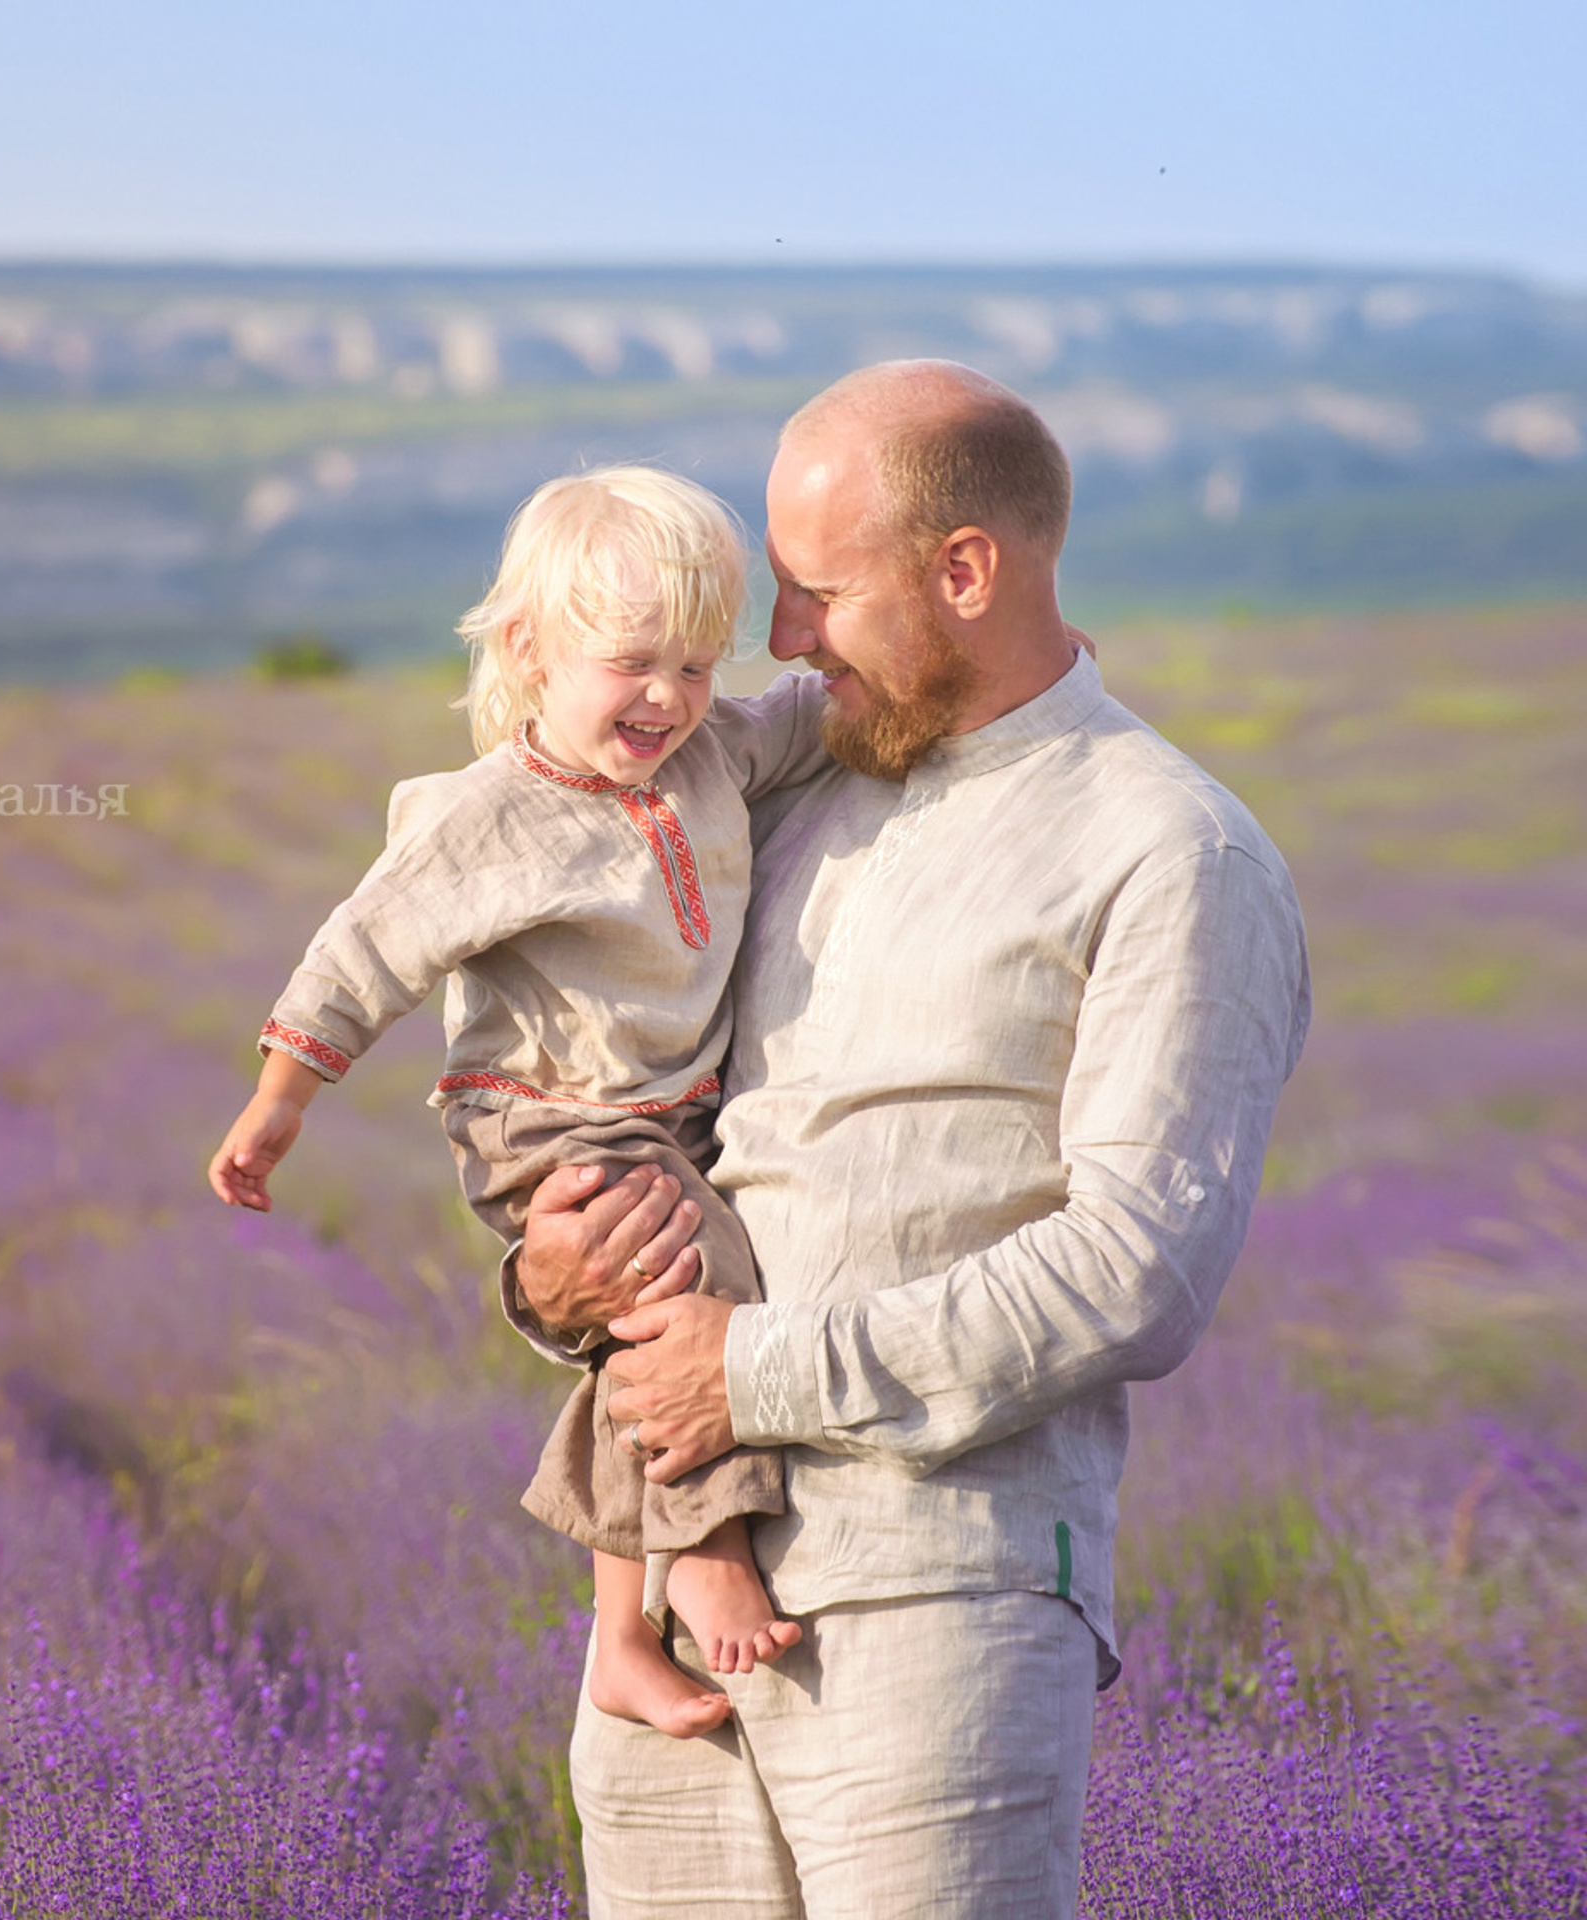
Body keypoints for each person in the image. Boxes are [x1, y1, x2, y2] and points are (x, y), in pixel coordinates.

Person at [508, 362, 1313, 1918]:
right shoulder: (788, 801)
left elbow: (1137, 1269)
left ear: (966, 571)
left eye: (816, 594)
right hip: (678, 1592)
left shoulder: (1171, 849)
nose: (782, 639)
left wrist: (747, 1372)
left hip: (938, 1596)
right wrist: (555, 1282)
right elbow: (639, 1125)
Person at [208, 466, 834, 1740]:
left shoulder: (709, 753)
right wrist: (282, 1101)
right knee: (689, 1272)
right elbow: (360, 951)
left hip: (666, 1105)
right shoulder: (489, 816)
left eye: (697, 666)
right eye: (632, 663)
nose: (669, 697)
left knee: (628, 1329)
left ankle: (614, 1639)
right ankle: (707, 1544)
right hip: (543, 1113)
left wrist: (985, 681)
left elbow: (809, 717)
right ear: (528, 651)